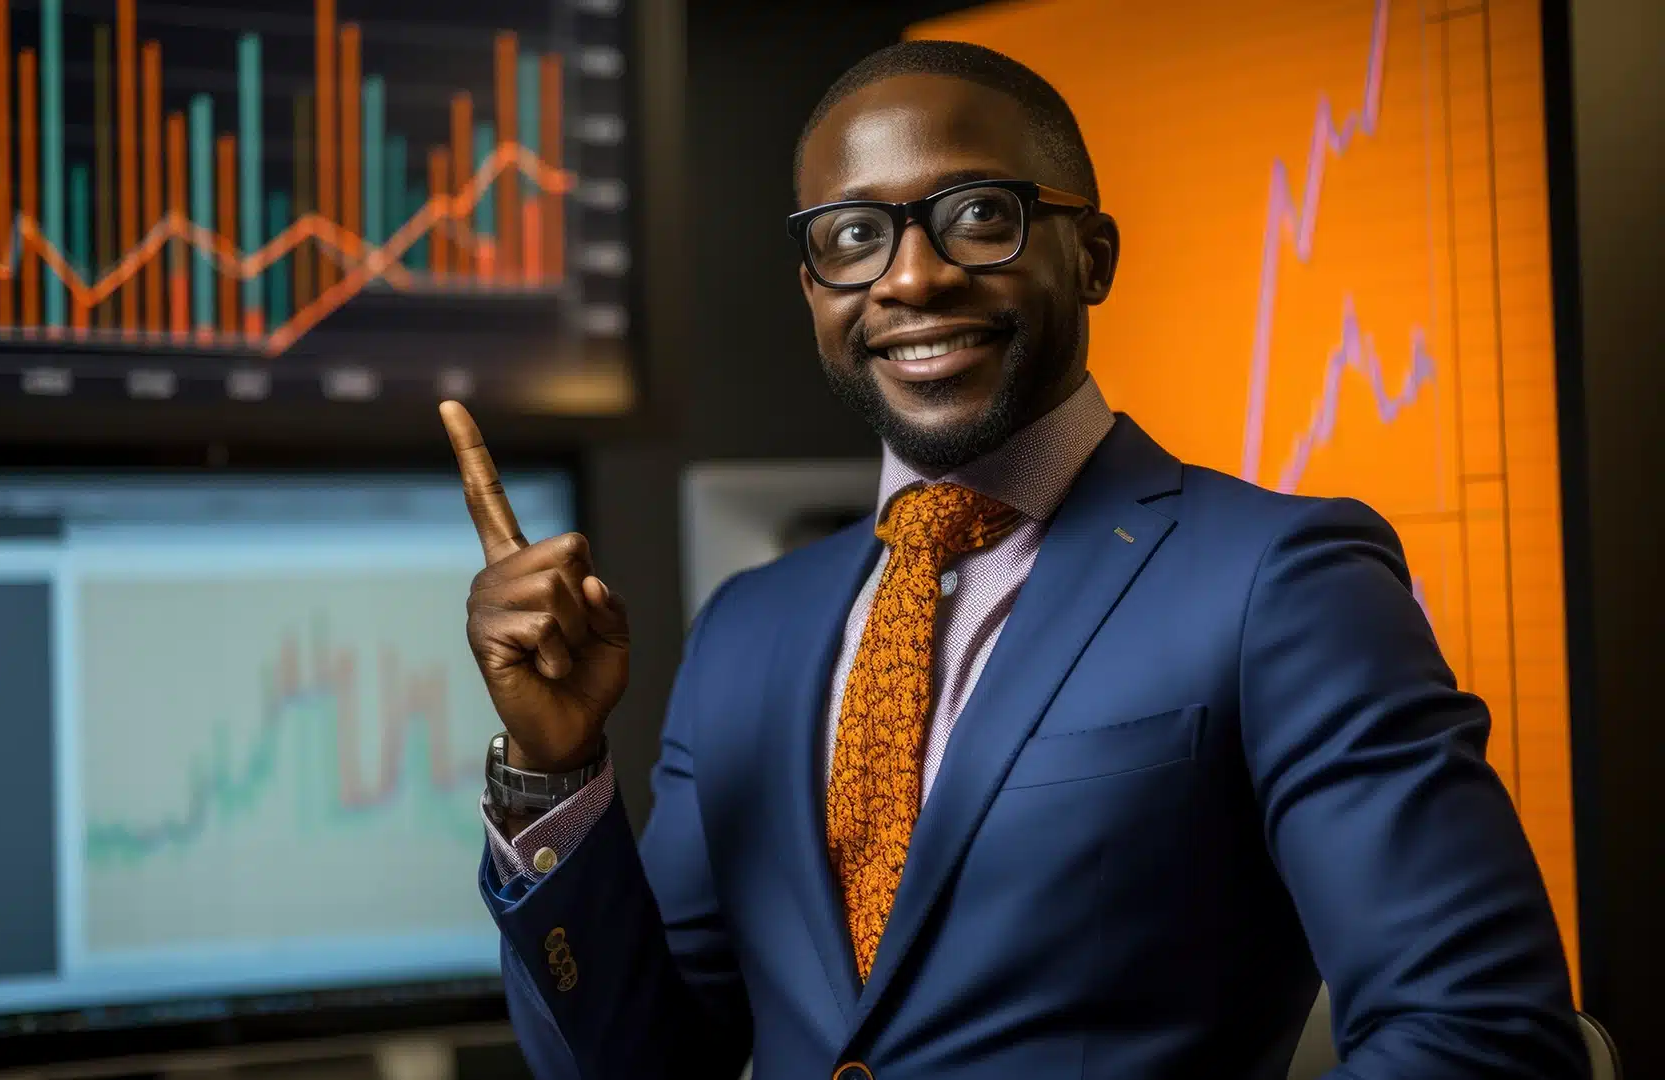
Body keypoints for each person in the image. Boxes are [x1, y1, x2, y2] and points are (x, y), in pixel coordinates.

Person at [439, 40, 1586, 1080]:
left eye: (979, 216)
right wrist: (557, 773)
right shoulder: (750, 628)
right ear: (814, 290)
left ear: (1091, 257)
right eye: (852, 236)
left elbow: (1481, 1035)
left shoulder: (1282, 581)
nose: (911, 278)